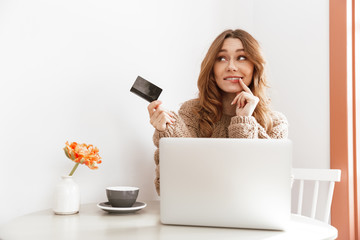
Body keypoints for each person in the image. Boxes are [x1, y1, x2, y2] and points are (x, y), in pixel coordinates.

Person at [147, 29, 288, 195]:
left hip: (250, 219)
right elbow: (168, 188)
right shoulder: (191, 113)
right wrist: (167, 130)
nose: (231, 67)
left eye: (241, 57)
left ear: (255, 66)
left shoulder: (276, 123)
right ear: (212, 68)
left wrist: (244, 121)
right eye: (222, 58)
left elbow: (265, 190)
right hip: (197, 215)